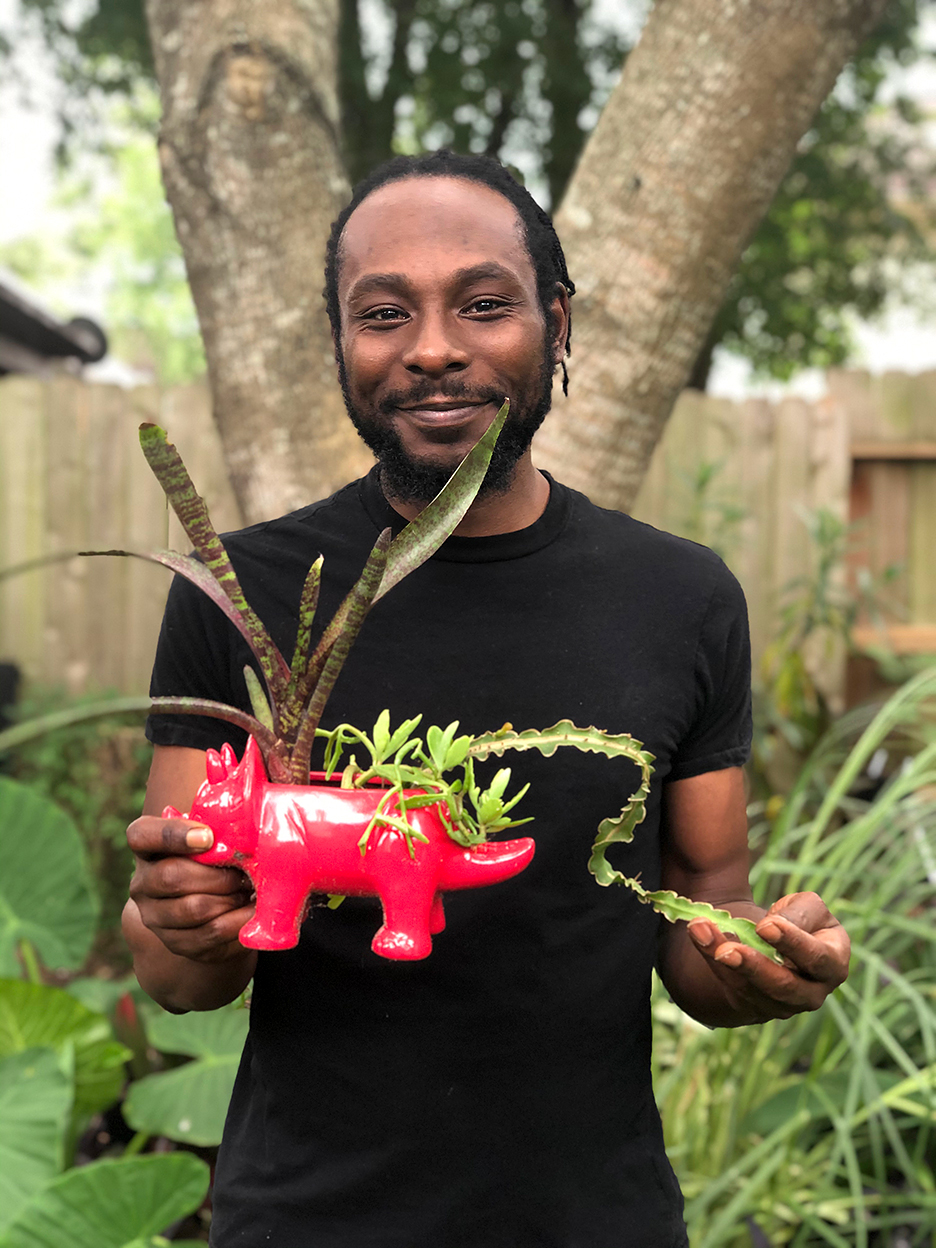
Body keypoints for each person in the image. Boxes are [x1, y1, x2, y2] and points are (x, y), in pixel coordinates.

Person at [124, 150, 850, 1248]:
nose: (431, 348)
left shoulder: (682, 597)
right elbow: (177, 972)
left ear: (556, 325)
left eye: (483, 303)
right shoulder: (241, 594)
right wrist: (185, 912)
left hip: (592, 1220)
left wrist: (763, 963)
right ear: (339, 339)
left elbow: (703, 914)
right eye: (382, 312)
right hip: (307, 1220)